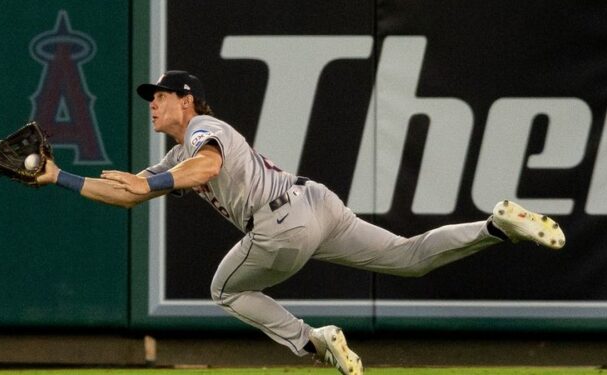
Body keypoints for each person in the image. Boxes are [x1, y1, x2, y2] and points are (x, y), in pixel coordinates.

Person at [36, 70, 566, 375]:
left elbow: (209, 165)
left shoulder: (204, 128)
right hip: (317, 203)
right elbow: (126, 192)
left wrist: (148, 183)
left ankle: (314, 341)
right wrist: (59, 176)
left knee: (223, 288)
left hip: (282, 222)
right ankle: (495, 227)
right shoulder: (177, 156)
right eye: (150, 98)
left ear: (187, 99)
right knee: (409, 257)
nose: (152, 104)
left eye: (160, 95)